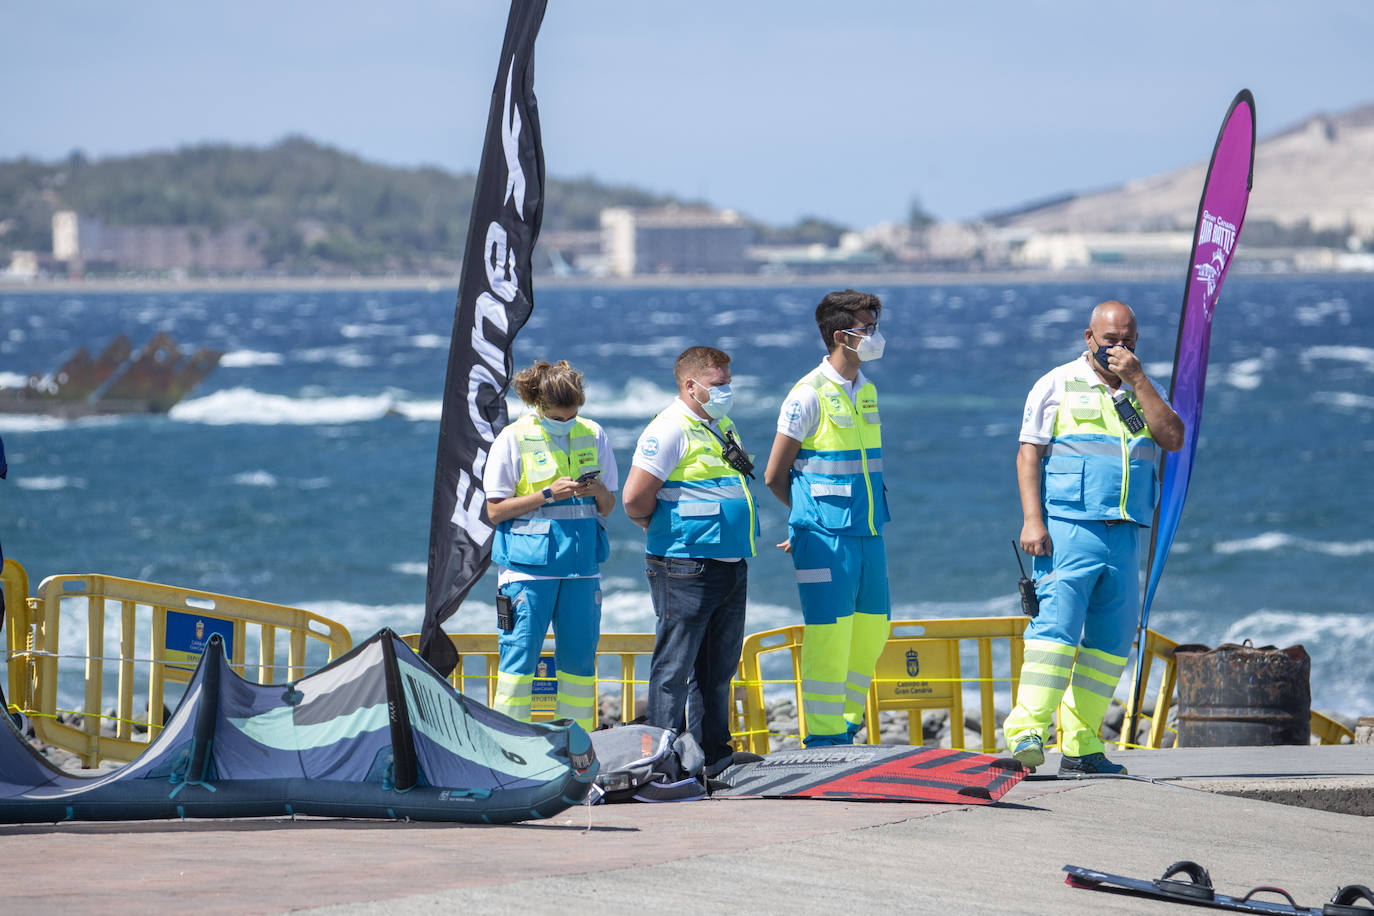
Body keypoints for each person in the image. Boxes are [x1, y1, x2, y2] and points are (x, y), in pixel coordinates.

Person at [1004, 299, 1184, 775]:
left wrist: (1139, 380)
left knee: (1110, 643)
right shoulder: (1056, 384)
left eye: (1127, 341)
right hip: (1068, 530)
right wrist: (1032, 519)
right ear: (1089, 338)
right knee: (1055, 633)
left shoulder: (1146, 388)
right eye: (1109, 341)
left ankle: (1082, 746)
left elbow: (1173, 439)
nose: (1118, 349)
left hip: (1124, 534)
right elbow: (1028, 455)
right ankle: (1026, 732)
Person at [622, 345, 759, 774]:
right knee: (674, 668)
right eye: (719, 384)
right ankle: (662, 759)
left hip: (729, 562)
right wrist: (660, 528)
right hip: (684, 565)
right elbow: (633, 499)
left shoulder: (721, 425)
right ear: (690, 385)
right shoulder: (668, 429)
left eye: (728, 382)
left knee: (717, 670)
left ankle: (713, 755)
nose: (727, 391)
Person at [763, 289, 891, 746]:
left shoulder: (868, 390)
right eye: (866, 328)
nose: (874, 335)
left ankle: (848, 723)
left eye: (874, 325)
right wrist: (805, 520)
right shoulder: (807, 395)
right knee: (829, 635)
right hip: (823, 535)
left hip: (868, 530)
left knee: (875, 628)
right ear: (841, 335)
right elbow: (775, 475)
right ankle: (822, 735)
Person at [483, 360, 618, 734]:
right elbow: (495, 511)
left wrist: (600, 492)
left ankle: (580, 748)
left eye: (574, 411)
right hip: (527, 572)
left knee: (579, 668)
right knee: (518, 666)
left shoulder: (594, 434)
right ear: (539, 405)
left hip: (582, 569)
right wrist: (546, 494)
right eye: (560, 415)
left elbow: (608, 508)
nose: (569, 419)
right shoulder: (512, 438)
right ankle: (510, 751)